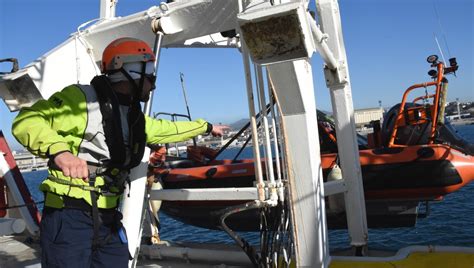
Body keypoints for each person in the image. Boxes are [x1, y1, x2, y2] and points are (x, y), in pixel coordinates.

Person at [11, 37, 226, 267]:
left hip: (109, 217)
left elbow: (166, 129)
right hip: (69, 214)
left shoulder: (131, 116)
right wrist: (60, 152)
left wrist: (207, 127)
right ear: (131, 72)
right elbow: (27, 121)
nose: (153, 83)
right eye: (150, 74)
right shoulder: (80, 100)